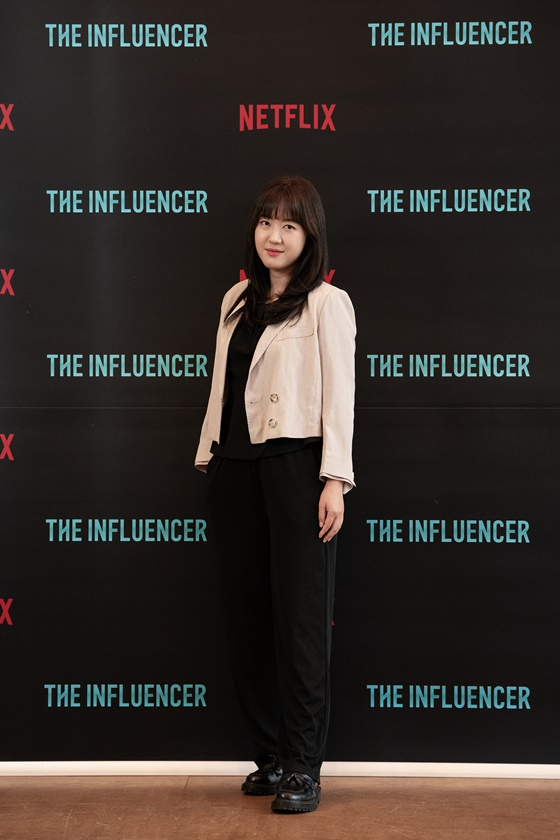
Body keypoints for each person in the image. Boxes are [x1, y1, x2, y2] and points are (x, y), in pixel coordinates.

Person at [195, 175, 356, 813]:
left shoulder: (327, 304)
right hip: (234, 469)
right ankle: (268, 758)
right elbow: (222, 388)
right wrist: (209, 456)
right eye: (266, 221)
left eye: (290, 225)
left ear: (310, 236)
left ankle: (302, 767)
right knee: (247, 622)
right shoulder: (235, 299)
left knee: (301, 624)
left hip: (297, 469)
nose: (275, 235)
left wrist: (335, 479)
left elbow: (340, 397)